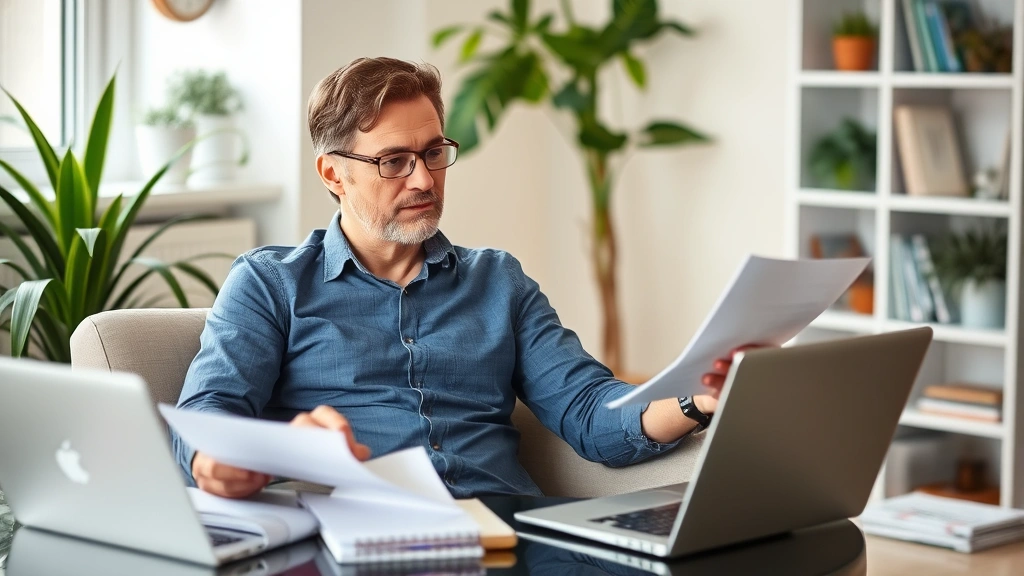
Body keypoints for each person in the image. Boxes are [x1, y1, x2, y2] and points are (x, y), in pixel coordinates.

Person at [173, 57, 740, 499]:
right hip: (357, 537)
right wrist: (259, 456)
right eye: (393, 161)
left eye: (434, 152)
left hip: (504, 535)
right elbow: (205, 425)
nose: (423, 179)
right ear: (334, 174)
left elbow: (590, 411)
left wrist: (698, 398)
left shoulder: (498, 281)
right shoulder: (269, 284)